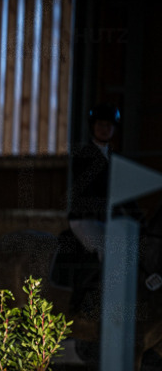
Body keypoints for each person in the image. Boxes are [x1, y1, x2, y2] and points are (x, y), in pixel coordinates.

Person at [67, 103, 121, 260]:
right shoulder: (83, 155)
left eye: (108, 125)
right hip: (85, 219)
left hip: (106, 218)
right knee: (106, 250)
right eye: (100, 125)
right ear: (93, 127)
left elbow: (123, 187)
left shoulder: (115, 157)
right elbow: (86, 190)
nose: (104, 129)